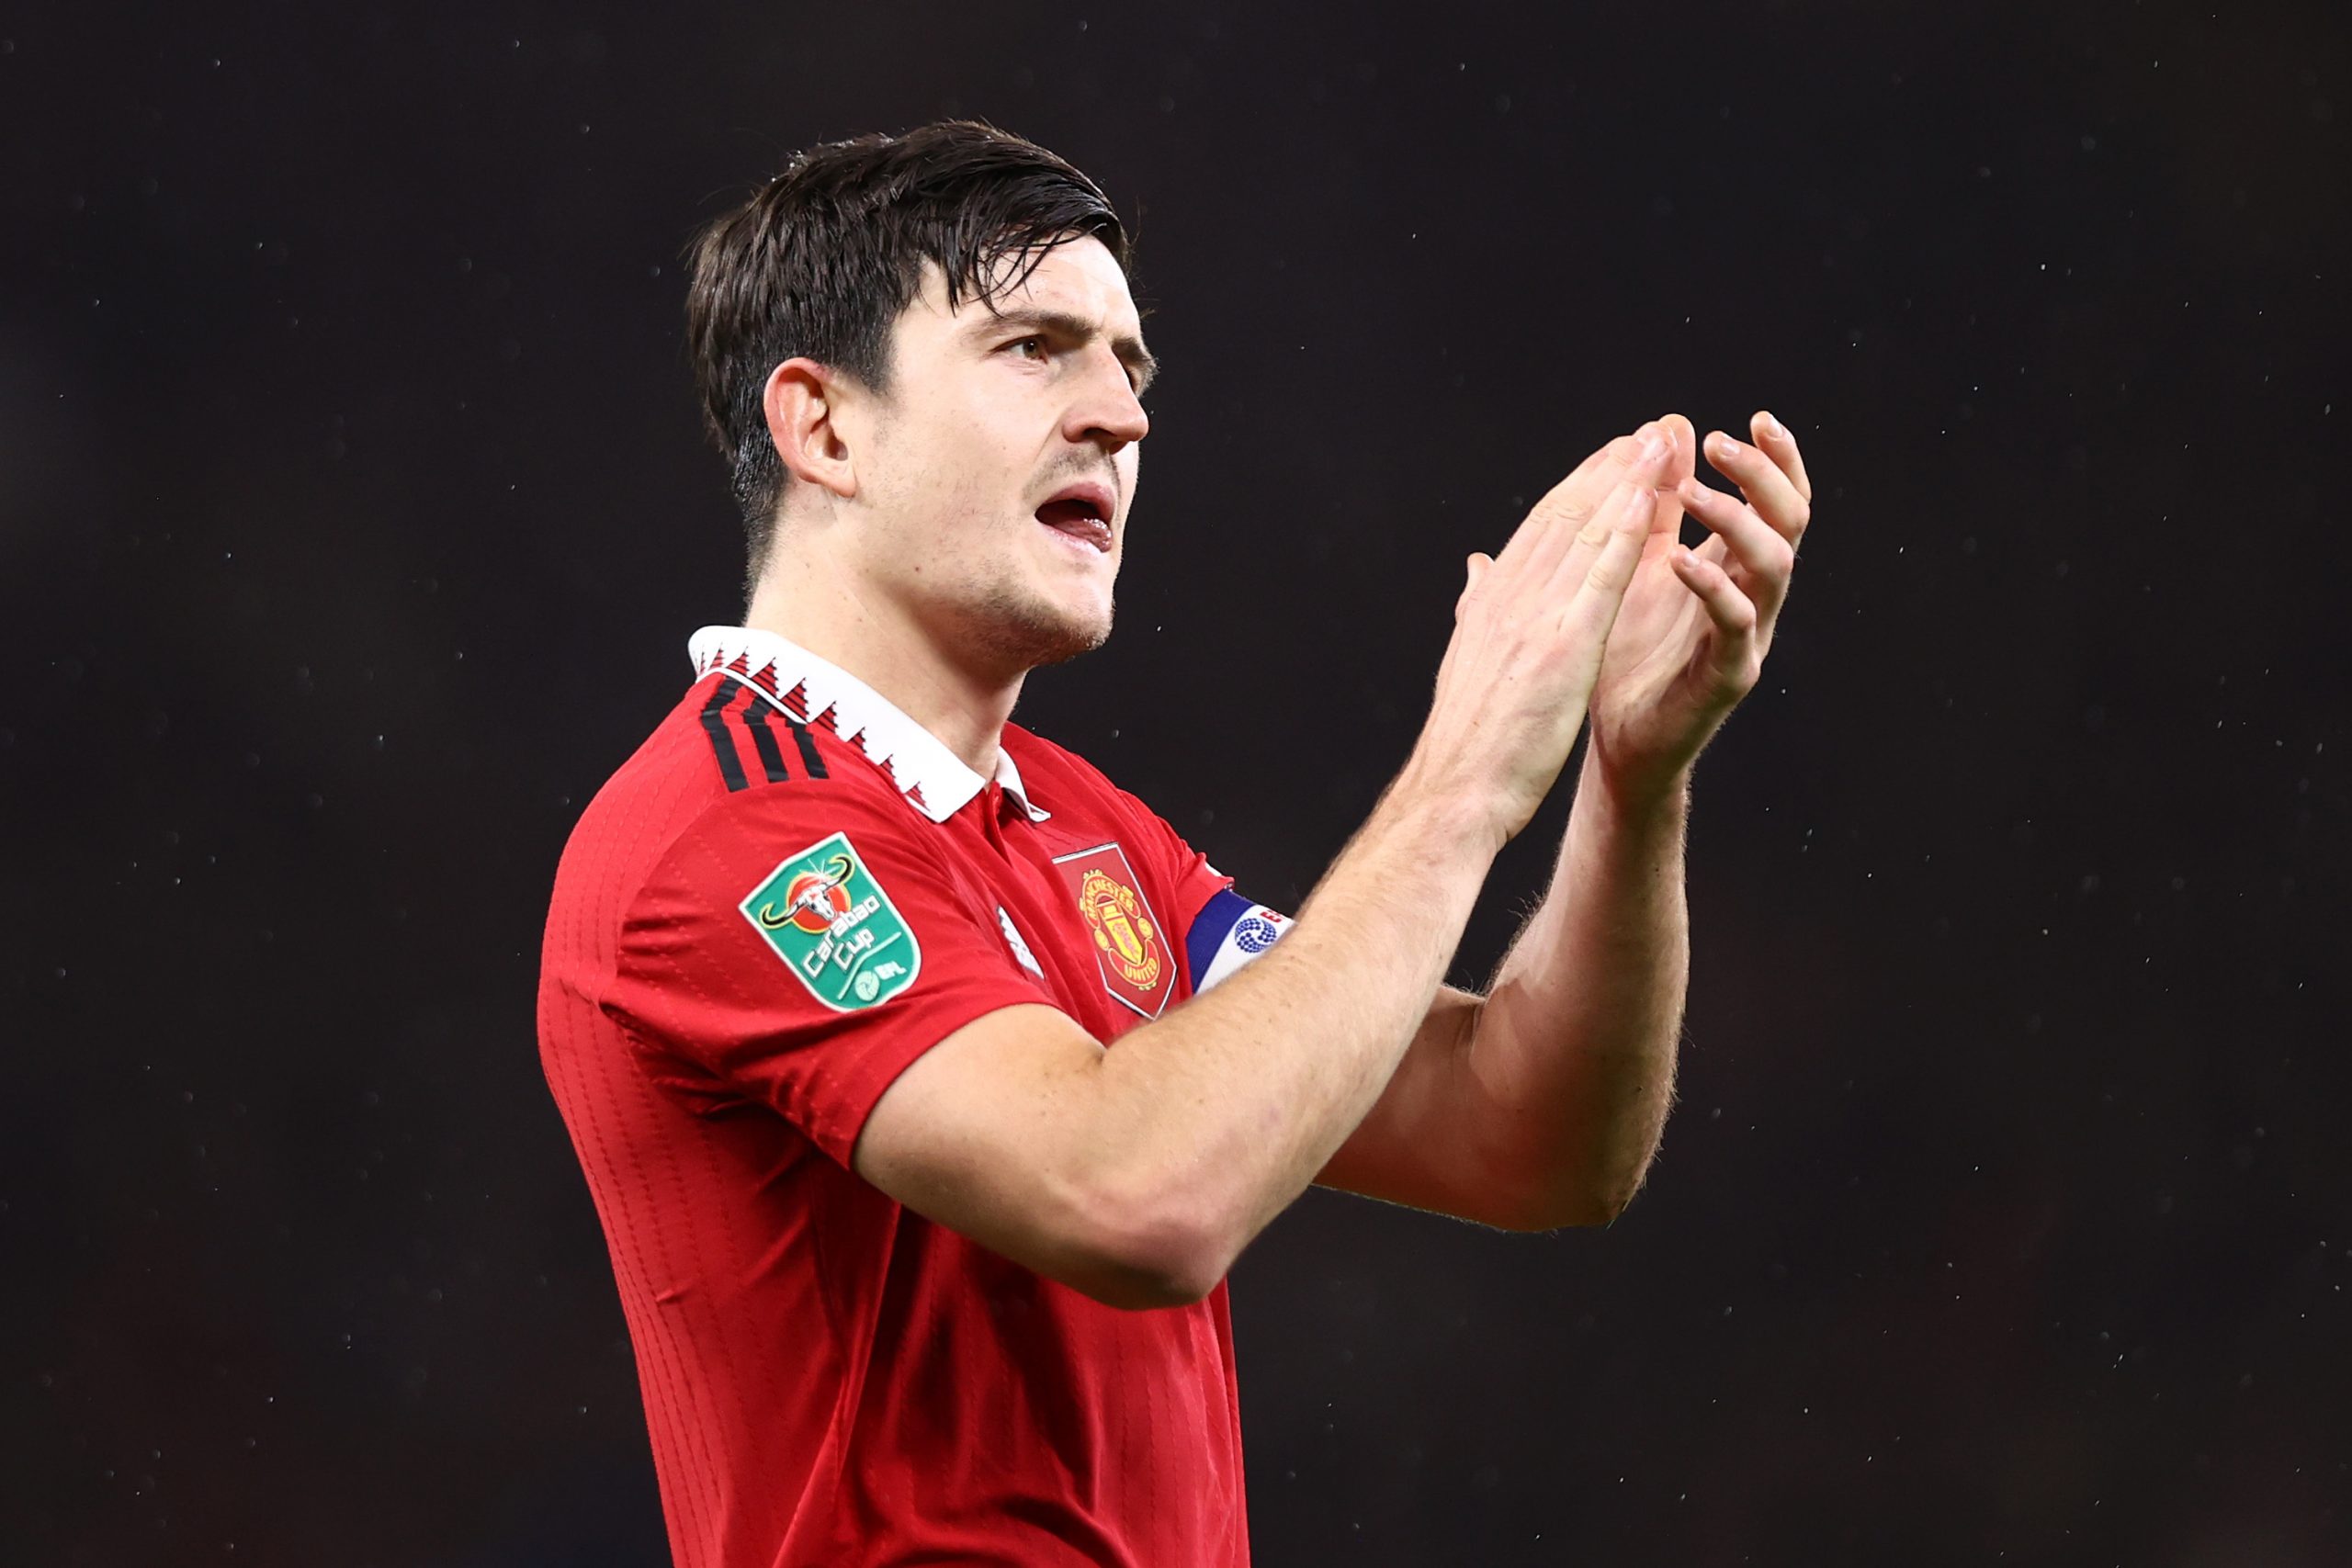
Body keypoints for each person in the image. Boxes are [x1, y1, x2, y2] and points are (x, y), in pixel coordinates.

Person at [537, 119, 1814, 1568]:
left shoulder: (1085, 827)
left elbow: (1532, 1138)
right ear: (825, 427)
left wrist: (1632, 779)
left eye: (1129, 367)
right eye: (1035, 349)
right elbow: (1134, 1193)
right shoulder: (720, 833)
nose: (1123, 417)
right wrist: (1464, 778)